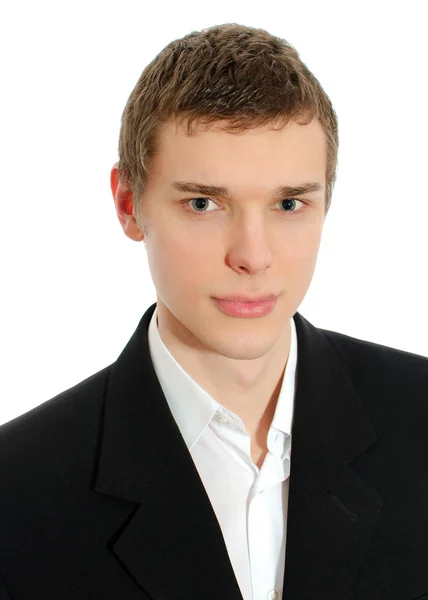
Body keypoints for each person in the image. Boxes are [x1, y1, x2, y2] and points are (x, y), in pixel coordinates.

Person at [1, 22, 427, 600]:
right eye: (203, 203)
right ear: (129, 204)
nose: (252, 256)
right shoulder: (17, 487)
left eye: (288, 203)